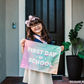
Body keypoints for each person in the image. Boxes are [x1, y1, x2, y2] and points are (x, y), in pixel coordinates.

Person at [20, 15, 64, 84]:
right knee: (34, 81)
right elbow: (26, 54)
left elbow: (51, 52)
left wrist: (59, 50)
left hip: (44, 66)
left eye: (38, 24)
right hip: (33, 66)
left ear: (42, 24)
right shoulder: (30, 39)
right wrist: (22, 46)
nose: (36, 27)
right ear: (30, 28)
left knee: (44, 81)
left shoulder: (48, 37)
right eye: (33, 26)